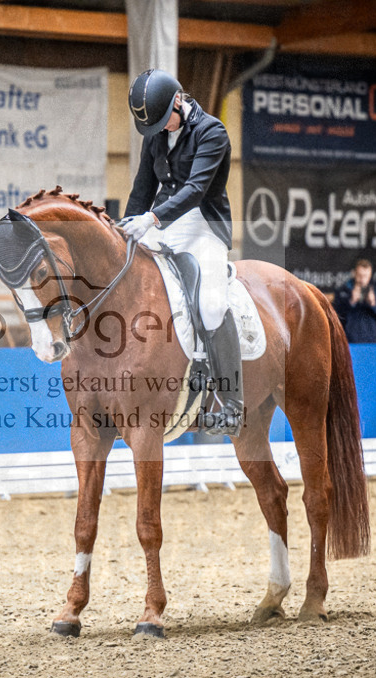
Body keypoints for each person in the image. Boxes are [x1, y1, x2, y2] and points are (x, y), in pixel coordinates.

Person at [120, 68, 241, 436]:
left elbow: (196, 189)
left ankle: (232, 402)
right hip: (161, 222)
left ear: (178, 100)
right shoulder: (156, 132)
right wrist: (125, 228)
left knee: (211, 305)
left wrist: (153, 219)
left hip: (203, 224)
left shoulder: (212, 132)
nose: (159, 130)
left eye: (163, 122)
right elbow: (143, 187)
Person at [333, 259, 376, 343]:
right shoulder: (343, 291)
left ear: (370, 275)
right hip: (349, 341)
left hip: (373, 342)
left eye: (365, 276)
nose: (362, 280)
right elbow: (335, 318)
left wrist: (374, 304)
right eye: (359, 275)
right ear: (354, 273)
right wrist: (351, 302)